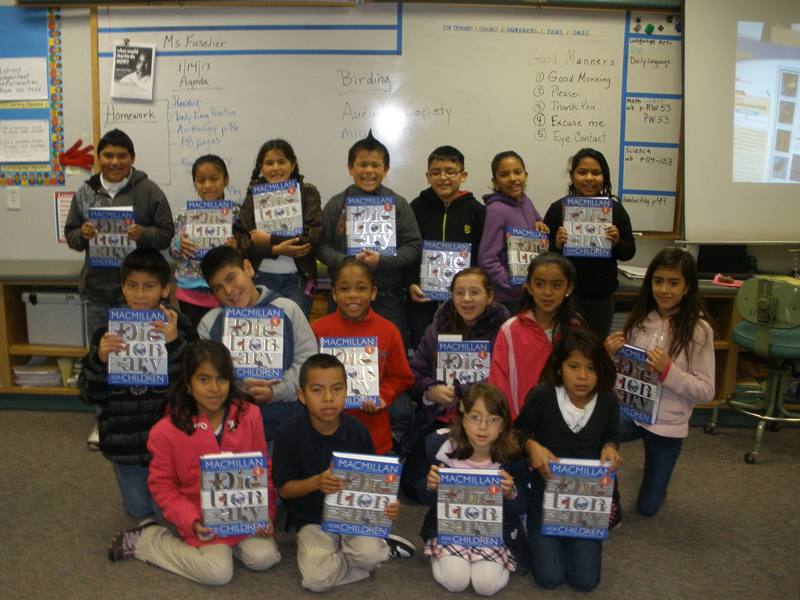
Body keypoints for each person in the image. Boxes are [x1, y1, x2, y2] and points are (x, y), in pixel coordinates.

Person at [106, 340, 281, 586]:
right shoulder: (165, 431)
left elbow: (264, 468)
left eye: (221, 379)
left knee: (266, 557)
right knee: (218, 573)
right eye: (204, 379)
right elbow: (162, 487)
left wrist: (267, 513)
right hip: (198, 513)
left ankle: (227, 545)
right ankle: (148, 540)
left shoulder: (249, 415)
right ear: (188, 384)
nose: (214, 388)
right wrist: (191, 519)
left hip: (243, 513)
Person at [271, 353, 415, 592]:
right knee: (315, 581)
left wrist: (387, 505)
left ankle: (366, 551)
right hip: (311, 521)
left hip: (353, 518)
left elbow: (373, 485)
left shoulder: (357, 431)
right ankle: (367, 555)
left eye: (337, 389)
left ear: (347, 391)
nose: (328, 398)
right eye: (317, 390)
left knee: (369, 555)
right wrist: (316, 482)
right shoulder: (288, 433)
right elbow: (284, 489)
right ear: (301, 396)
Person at [79, 248, 196, 517]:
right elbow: (89, 393)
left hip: (167, 439)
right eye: (132, 285)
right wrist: (99, 360)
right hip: (124, 439)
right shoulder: (107, 332)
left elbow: (194, 386)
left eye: (149, 286)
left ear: (166, 289)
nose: (140, 294)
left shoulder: (181, 326)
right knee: (138, 511)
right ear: (123, 288)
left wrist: (174, 343)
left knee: (165, 511)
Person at [605, 247, 715, 517]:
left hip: (667, 425)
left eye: (674, 282)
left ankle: (658, 482)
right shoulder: (641, 320)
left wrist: (669, 372)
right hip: (631, 412)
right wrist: (608, 354)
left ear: (688, 287)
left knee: (647, 509)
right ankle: (607, 496)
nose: (664, 289)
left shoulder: (699, 331)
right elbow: (622, 373)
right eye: (658, 281)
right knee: (594, 433)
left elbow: (706, 390)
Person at [515, 328, 621, 592]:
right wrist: (532, 445)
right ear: (560, 367)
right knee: (549, 578)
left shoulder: (607, 400)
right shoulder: (543, 395)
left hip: (586, 503)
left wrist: (610, 447)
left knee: (585, 581)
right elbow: (517, 432)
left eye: (591, 368)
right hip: (545, 496)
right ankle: (531, 525)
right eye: (574, 366)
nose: (583, 376)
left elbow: (611, 434)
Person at [399, 267, 509, 500]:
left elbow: (506, 381)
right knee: (411, 484)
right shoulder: (437, 329)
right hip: (440, 417)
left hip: (486, 422)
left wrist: (464, 393)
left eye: (474, 292)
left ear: (489, 296)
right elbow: (415, 373)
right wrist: (430, 390)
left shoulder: (504, 332)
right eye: (459, 293)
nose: (466, 299)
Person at [417, 384, 529, 596]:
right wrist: (430, 486)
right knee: (455, 581)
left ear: (504, 425)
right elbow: (422, 494)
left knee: (486, 585)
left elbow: (525, 502)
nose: (483, 427)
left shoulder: (512, 457)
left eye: (493, 419)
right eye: (475, 417)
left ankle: (498, 559)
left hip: (495, 532)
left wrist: (511, 492)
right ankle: (440, 553)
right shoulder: (442, 449)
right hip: (449, 529)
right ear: (463, 419)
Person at [63, 128, 174, 342]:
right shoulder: (85, 192)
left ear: (132, 158)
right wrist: (83, 234)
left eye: (122, 156)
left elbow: (166, 233)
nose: (115, 162)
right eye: (108, 155)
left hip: (140, 294)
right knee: (101, 351)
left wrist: (142, 233)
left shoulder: (149, 191)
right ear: (99, 158)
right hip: (98, 291)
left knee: (138, 353)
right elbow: (71, 236)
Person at [198, 245, 317, 441]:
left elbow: (308, 365)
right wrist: (241, 387)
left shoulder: (288, 309)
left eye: (231, 278)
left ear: (248, 268)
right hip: (235, 432)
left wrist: (275, 392)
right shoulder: (209, 324)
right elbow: (208, 378)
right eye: (217, 288)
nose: (228, 291)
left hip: (289, 424)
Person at [317, 130, 421, 348]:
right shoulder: (336, 204)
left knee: (390, 357)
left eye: (376, 165)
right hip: (344, 298)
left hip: (388, 297)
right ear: (350, 168)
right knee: (337, 358)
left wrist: (382, 261)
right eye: (362, 165)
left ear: (386, 169)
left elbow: (413, 247)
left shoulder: (399, 205)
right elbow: (322, 246)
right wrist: (346, 261)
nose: (369, 171)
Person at [311, 257, 413, 455]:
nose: (353, 295)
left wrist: (383, 395)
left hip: (373, 434)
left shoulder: (388, 331)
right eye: (344, 289)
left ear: (373, 293)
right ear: (333, 294)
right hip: (326, 433)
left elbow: (402, 376)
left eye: (361, 288)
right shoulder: (317, 330)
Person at [543, 148, 636, 338]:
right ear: (572, 175)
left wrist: (617, 242)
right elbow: (542, 254)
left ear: (605, 176)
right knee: (566, 348)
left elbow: (629, 251)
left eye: (596, 172)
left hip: (602, 296)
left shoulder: (615, 211)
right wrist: (557, 246)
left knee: (595, 348)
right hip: (567, 296)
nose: (589, 178)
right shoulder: (557, 209)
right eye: (582, 172)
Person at [406, 145, 485, 348]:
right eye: (436, 172)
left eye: (450, 171)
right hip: (423, 300)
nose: (443, 177)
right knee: (424, 350)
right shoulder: (416, 207)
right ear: (428, 176)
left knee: (460, 349)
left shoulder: (477, 211)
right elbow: (409, 249)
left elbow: (481, 253)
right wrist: (411, 282)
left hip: (464, 300)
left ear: (463, 175)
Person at [488, 252, 583, 420]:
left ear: (569, 288)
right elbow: (498, 382)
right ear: (529, 287)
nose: (547, 292)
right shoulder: (510, 330)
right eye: (539, 284)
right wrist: (510, 422)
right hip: (519, 423)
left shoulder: (576, 330)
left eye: (556, 285)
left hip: (565, 424)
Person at [235, 139, 323, 317]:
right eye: (269, 163)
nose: (276, 168)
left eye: (281, 161)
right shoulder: (253, 196)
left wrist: (269, 240)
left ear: (293, 164)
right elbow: (242, 240)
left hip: (298, 280)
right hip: (260, 277)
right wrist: (274, 249)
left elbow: (311, 236)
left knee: (294, 332)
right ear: (261, 166)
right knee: (264, 333)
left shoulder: (307, 193)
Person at [477, 150, 548, 314]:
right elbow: (487, 259)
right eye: (504, 174)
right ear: (495, 181)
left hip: (529, 294)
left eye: (518, 172)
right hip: (508, 299)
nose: (513, 178)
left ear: (526, 175)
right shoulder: (496, 210)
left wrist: (540, 224)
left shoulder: (525, 201)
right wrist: (513, 285)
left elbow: (537, 223)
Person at [170, 154, 236, 327]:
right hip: (189, 290)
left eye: (214, 179)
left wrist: (236, 247)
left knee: (221, 339)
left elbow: (245, 247)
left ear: (226, 180)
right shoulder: (184, 214)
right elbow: (173, 251)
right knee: (195, 341)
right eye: (201, 181)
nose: (207, 186)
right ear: (195, 183)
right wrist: (179, 244)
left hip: (224, 289)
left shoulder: (236, 213)